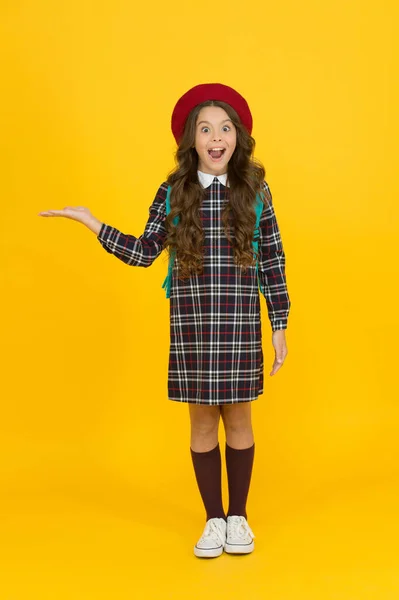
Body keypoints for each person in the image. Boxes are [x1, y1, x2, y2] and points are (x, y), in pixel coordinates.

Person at [38, 82, 291, 559]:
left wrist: (279, 322)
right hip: (193, 330)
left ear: (238, 136)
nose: (216, 138)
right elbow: (144, 252)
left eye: (225, 128)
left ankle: (238, 517)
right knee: (200, 426)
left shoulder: (256, 190)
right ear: (190, 140)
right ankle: (213, 520)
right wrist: (94, 224)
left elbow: (273, 259)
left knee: (239, 420)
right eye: (205, 129)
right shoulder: (173, 192)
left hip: (238, 327)